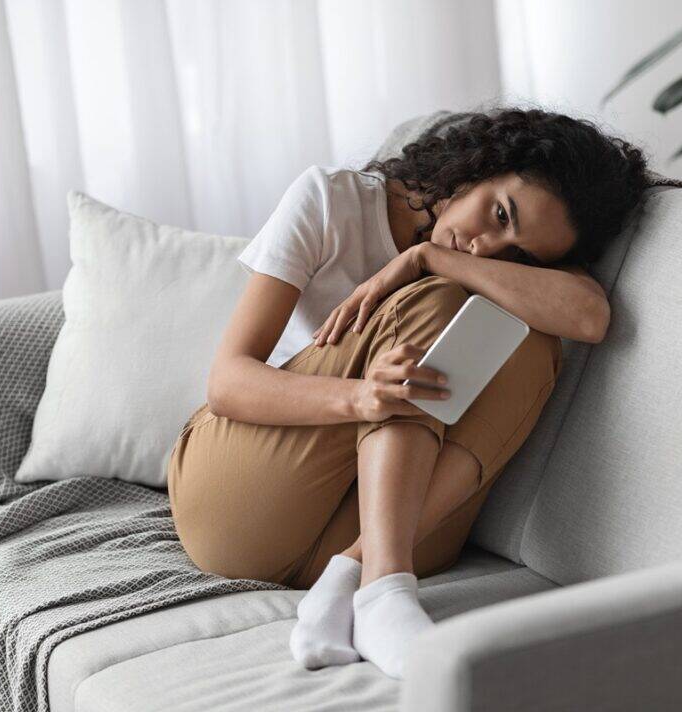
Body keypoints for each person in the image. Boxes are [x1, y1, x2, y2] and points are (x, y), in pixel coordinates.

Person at [166, 107, 650, 679]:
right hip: (244, 493)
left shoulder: (455, 259)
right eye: (498, 213)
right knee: (443, 302)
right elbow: (227, 382)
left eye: (518, 254)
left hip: (376, 527)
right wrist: (359, 398)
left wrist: (426, 257)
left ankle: (353, 579)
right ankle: (386, 586)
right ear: (480, 165)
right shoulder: (332, 200)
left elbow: (589, 316)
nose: (485, 249)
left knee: (532, 338)